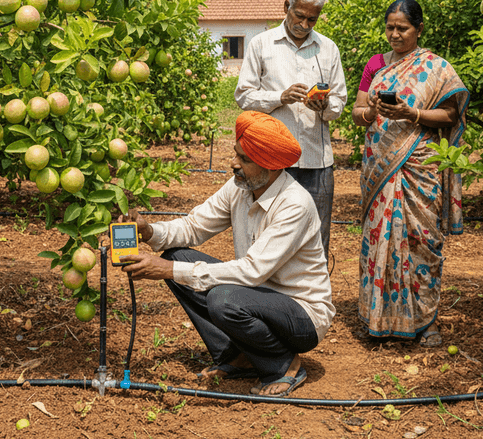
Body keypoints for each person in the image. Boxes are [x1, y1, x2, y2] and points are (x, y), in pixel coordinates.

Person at [119, 111, 334, 397]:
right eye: (237, 154)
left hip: (301, 314)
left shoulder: (294, 204)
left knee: (222, 298)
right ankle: (238, 355)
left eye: (244, 159)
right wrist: (148, 232)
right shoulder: (241, 187)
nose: (234, 164)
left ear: (268, 166)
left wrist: (167, 271)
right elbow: (194, 226)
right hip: (256, 295)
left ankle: (282, 365)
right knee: (175, 257)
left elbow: (252, 271)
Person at [350, 0, 469, 347]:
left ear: (418, 29)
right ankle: (379, 319)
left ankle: (426, 320)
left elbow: (450, 115)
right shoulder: (375, 65)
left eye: (402, 28)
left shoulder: (436, 67)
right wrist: (370, 110)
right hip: (380, 167)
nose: (395, 34)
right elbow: (356, 113)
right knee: (379, 238)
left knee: (421, 240)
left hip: (419, 167)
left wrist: (411, 114)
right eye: (390, 27)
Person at [234, 0, 347, 261]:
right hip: (269, 161)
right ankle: (264, 301)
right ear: (287, 6)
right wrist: (279, 97)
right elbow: (244, 96)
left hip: (315, 161)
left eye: (313, 19)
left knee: (315, 237)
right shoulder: (262, 44)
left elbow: (339, 104)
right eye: (300, 16)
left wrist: (322, 105)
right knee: (264, 232)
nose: (306, 25)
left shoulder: (328, 49)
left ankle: (310, 302)